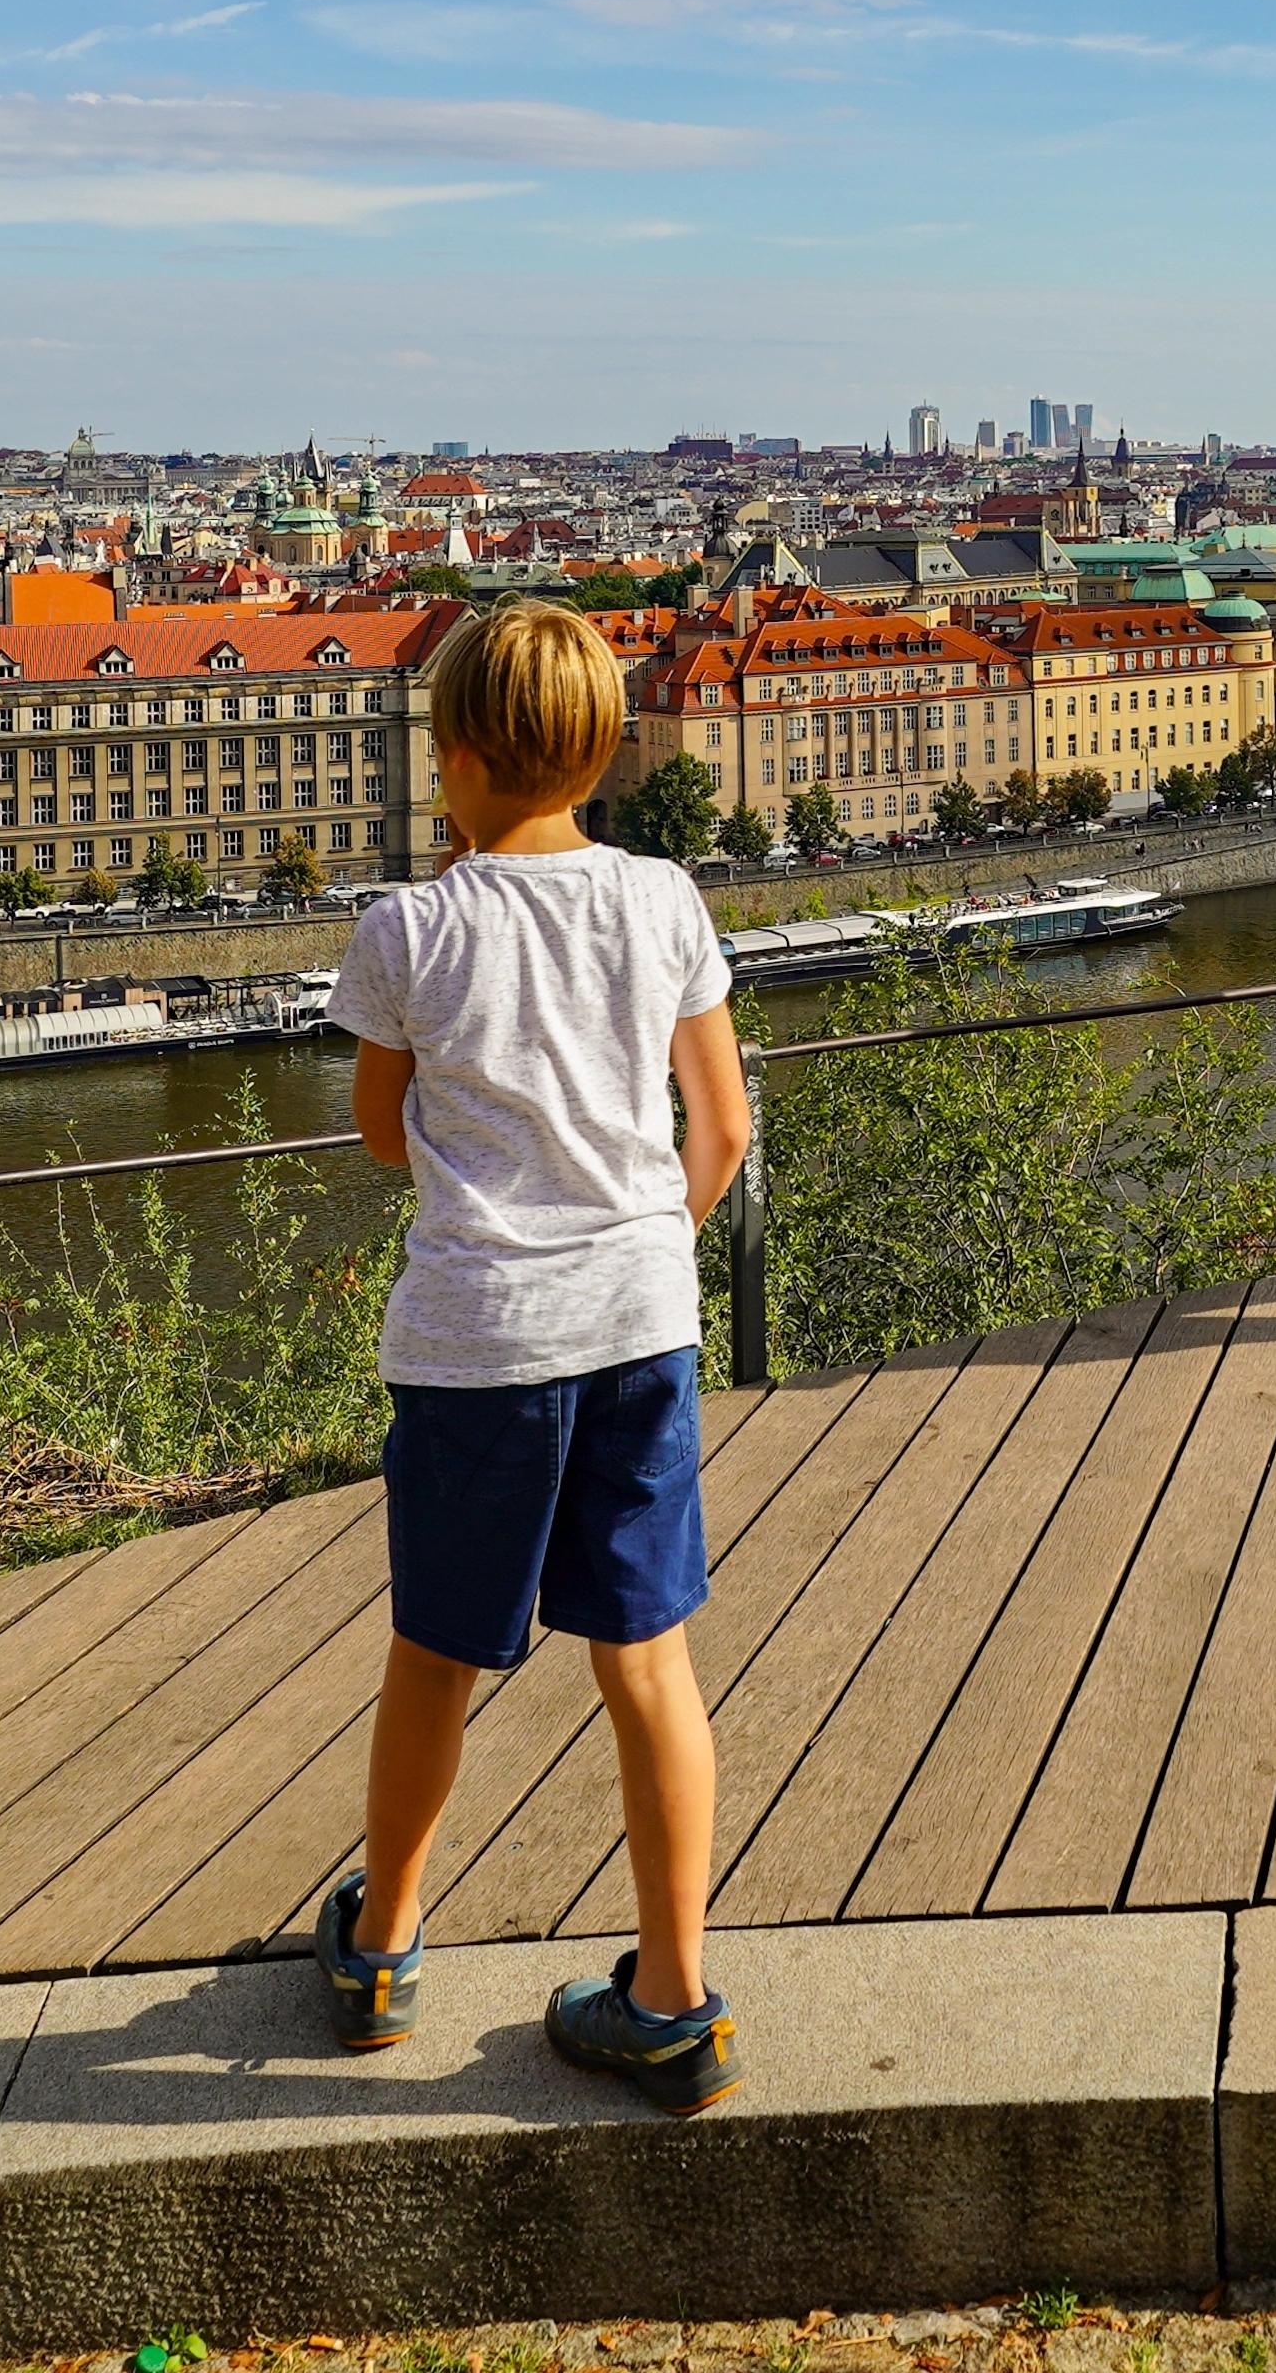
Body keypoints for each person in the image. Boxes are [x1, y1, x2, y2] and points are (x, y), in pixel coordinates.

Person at [318, 601, 753, 2112]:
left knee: (438, 1655)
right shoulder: (664, 899)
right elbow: (725, 1127)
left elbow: (383, 1132)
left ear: (457, 759)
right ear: (596, 752)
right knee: (648, 1661)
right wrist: (650, 1242)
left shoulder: (412, 930)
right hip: (641, 1325)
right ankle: (675, 1997)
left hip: (480, 1340)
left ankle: (381, 1949)